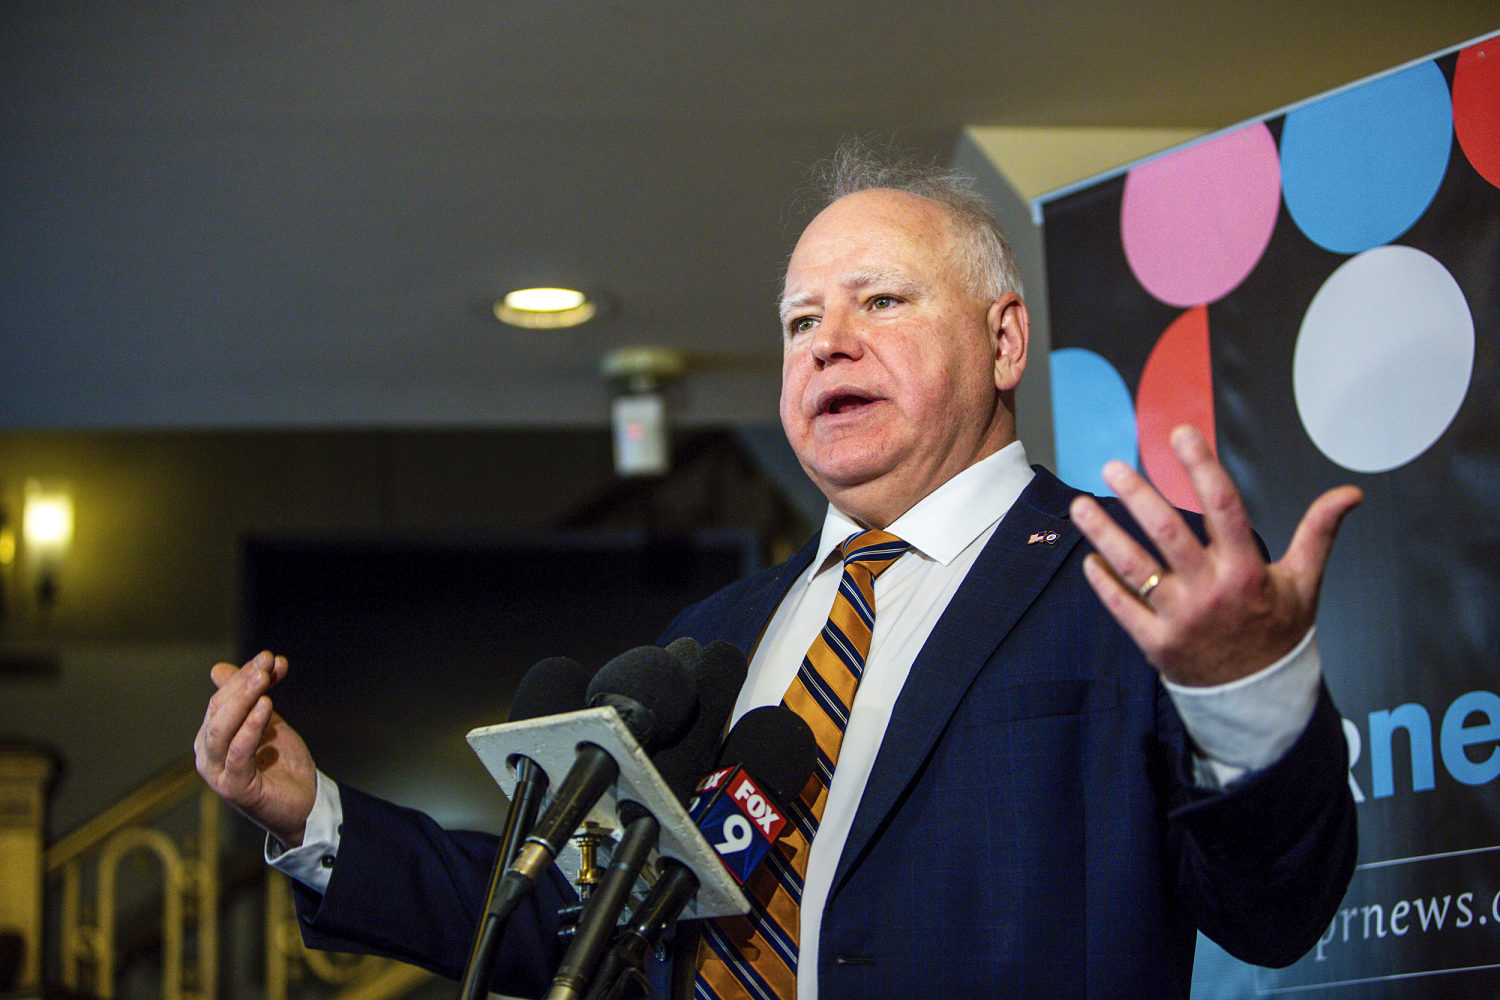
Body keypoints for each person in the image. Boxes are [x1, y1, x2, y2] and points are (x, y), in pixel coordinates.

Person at [195, 146, 1361, 1000]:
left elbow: (1272, 913)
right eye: (801, 322)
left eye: (882, 302)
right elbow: (567, 915)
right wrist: (314, 814)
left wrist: (1240, 699)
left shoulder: (1127, 582)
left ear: (1005, 340)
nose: (828, 343)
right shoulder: (715, 639)